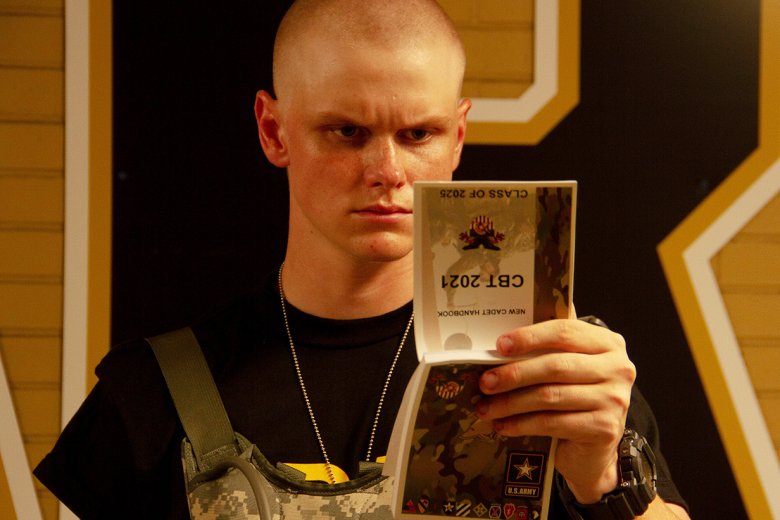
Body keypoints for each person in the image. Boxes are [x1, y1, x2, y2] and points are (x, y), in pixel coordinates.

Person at [35, 1, 691, 519]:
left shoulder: (553, 370)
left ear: (458, 137)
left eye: (418, 134)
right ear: (274, 131)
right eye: (347, 132)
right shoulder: (153, 396)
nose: (388, 171)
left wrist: (608, 483)